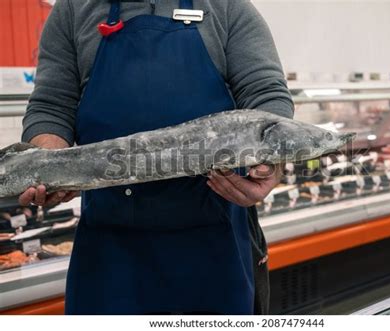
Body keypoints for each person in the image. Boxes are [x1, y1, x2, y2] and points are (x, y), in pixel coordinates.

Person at [19, 0, 293, 314]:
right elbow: (51, 107)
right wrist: (52, 164)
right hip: (110, 254)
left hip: (212, 248)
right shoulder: (72, 10)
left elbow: (266, 94)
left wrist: (272, 160)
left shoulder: (228, 8)